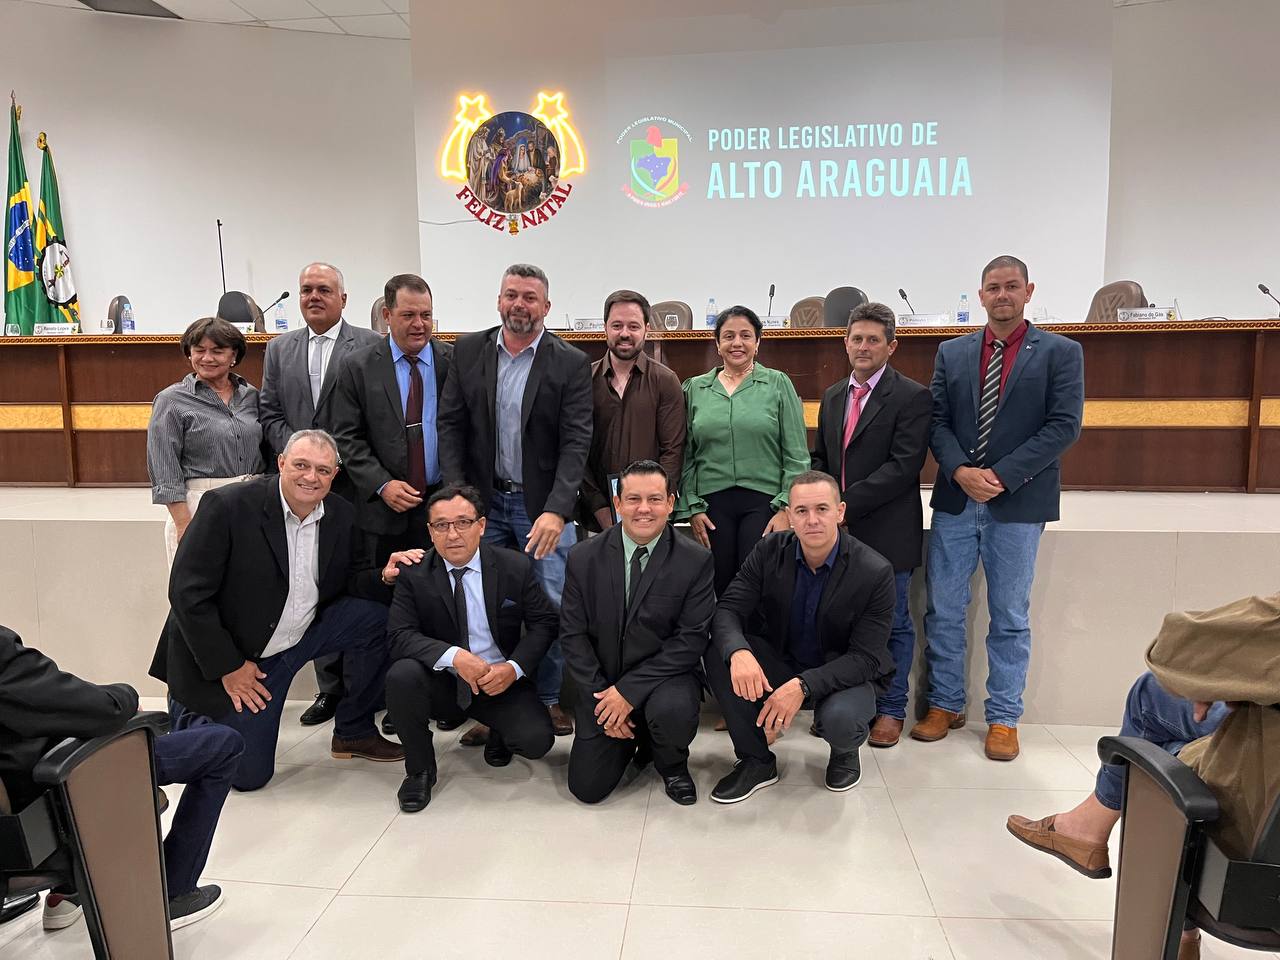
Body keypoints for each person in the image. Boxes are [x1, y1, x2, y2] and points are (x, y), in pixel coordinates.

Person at [1007, 593, 1280, 960]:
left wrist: (1219, 681)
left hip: (1255, 858)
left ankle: (1090, 834)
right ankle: (1086, 829)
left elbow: (1176, 648)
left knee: (1152, 710)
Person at [149, 430, 410, 792]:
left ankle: (353, 730)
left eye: (322, 470)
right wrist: (229, 667)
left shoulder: (340, 514)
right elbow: (187, 594)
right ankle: (190, 715)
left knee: (378, 620)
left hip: (295, 642)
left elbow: (348, 579)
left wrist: (383, 575)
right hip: (238, 657)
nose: (311, 477)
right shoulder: (228, 506)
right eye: (301, 465)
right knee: (246, 776)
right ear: (281, 463)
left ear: (334, 475)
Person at [913, 255, 1084, 761]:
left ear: (1028, 291)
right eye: (993, 287)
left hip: (1019, 501)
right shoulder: (952, 352)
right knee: (944, 608)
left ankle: (1004, 717)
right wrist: (959, 470)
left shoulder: (1061, 352)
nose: (1002, 295)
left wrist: (1002, 475)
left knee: (1009, 614)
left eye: (1011, 286)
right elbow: (936, 421)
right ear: (981, 294)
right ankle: (945, 704)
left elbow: (1063, 425)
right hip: (956, 499)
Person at [438, 263, 592, 741]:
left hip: (541, 509)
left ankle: (546, 699)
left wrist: (557, 509)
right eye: (511, 295)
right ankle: (492, 708)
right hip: (482, 505)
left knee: (551, 605)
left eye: (529, 297)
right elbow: (451, 425)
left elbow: (576, 442)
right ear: (499, 300)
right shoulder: (468, 351)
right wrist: (459, 497)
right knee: (483, 605)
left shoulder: (570, 362)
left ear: (546, 306)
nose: (519, 305)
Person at [0, 627, 241, 931]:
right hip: (54, 797)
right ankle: (174, 893)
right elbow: (102, 709)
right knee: (223, 745)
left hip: (21, 810)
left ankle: (69, 894)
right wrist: (126, 695)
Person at [703, 471, 895, 803]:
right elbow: (728, 609)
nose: (812, 520)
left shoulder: (874, 571)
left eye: (822, 509)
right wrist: (738, 652)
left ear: (840, 512)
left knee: (841, 719)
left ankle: (844, 752)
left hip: (843, 674)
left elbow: (865, 659)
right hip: (784, 660)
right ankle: (756, 761)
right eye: (802, 511)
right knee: (720, 653)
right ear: (789, 515)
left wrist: (803, 686)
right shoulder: (769, 550)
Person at [259, 261, 382, 727]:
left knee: (354, 582)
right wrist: (301, 460)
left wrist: (338, 462)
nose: (314, 296)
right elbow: (270, 413)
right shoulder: (279, 348)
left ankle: (369, 690)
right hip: (300, 491)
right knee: (310, 582)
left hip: (355, 487)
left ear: (343, 299)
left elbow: (378, 416)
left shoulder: (368, 345)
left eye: (324, 289)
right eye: (306, 289)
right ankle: (329, 689)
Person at [384, 484, 557, 812]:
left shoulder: (514, 566)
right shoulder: (414, 572)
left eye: (463, 522)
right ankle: (419, 771)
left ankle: (497, 731)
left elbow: (545, 623)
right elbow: (399, 635)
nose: (453, 534)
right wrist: (454, 657)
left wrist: (513, 669)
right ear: (430, 532)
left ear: (481, 525)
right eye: (441, 525)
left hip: (499, 680)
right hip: (444, 683)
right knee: (402, 675)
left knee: (536, 741)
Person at [811, 302, 930, 748]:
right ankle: (841, 704)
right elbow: (821, 458)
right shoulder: (832, 396)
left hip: (887, 530)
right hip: (836, 531)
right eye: (856, 338)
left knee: (894, 622)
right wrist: (821, 504)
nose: (863, 347)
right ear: (845, 343)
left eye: (873, 340)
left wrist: (843, 504)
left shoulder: (912, 397)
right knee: (837, 621)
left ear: (891, 346)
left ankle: (892, 709)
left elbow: (903, 466)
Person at [561, 460, 714, 806]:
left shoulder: (695, 560)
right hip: (604, 683)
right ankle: (637, 737)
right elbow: (572, 635)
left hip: (666, 679)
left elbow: (690, 641)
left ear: (670, 503)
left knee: (672, 712)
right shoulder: (583, 557)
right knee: (587, 788)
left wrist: (627, 693)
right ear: (617, 503)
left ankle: (672, 764)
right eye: (633, 499)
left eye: (654, 499)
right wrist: (604, 700)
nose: (644, 509)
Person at [676, 305, 809, 597]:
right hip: (711, 504)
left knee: (759, 587)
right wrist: (692, 506)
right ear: (717, 344)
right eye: (729, 336)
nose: (737, 343)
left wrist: (786, 507)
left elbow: (797, 454)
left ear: (757, 343)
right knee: (719, 588)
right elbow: (686, 454)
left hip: (766, 503)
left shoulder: (777, 384)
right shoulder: (695, 389)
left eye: (746, 335)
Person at [146, 316, 264, 567]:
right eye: (199, 350)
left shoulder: (251, 395)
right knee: (199, 585)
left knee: (250, 583)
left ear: (234, 355)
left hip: (252, 503)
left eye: (217, 351)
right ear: (189, 353)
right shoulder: (171, 400)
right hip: (199, 506)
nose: (207, 358)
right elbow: (164, 467)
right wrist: (183, 523)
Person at [579, 289, 685, 532]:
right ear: (605, 328)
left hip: (650, 516)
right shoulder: (583, 381)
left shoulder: (666, 381)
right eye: (617, 325)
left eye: (633, 326)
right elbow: (576, 450)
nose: (625, 333)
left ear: (646, 329)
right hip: (595, 516)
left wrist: (654, 505)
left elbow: (673, 451)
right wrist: (600, 508)